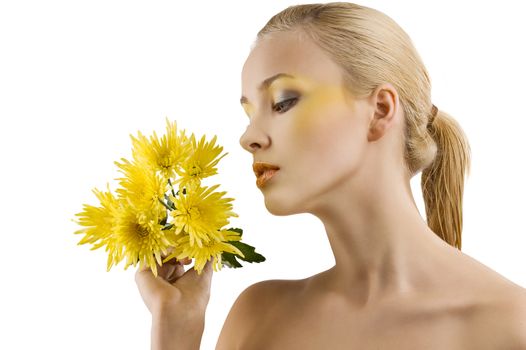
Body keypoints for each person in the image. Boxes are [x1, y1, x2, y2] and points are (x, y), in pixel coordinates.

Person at [135, 2, 526, 349]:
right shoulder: (258, 317)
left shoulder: (510, 327)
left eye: (283, 102)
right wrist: (175, 335)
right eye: (249, 112)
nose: (248, 137)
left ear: (380, 110)